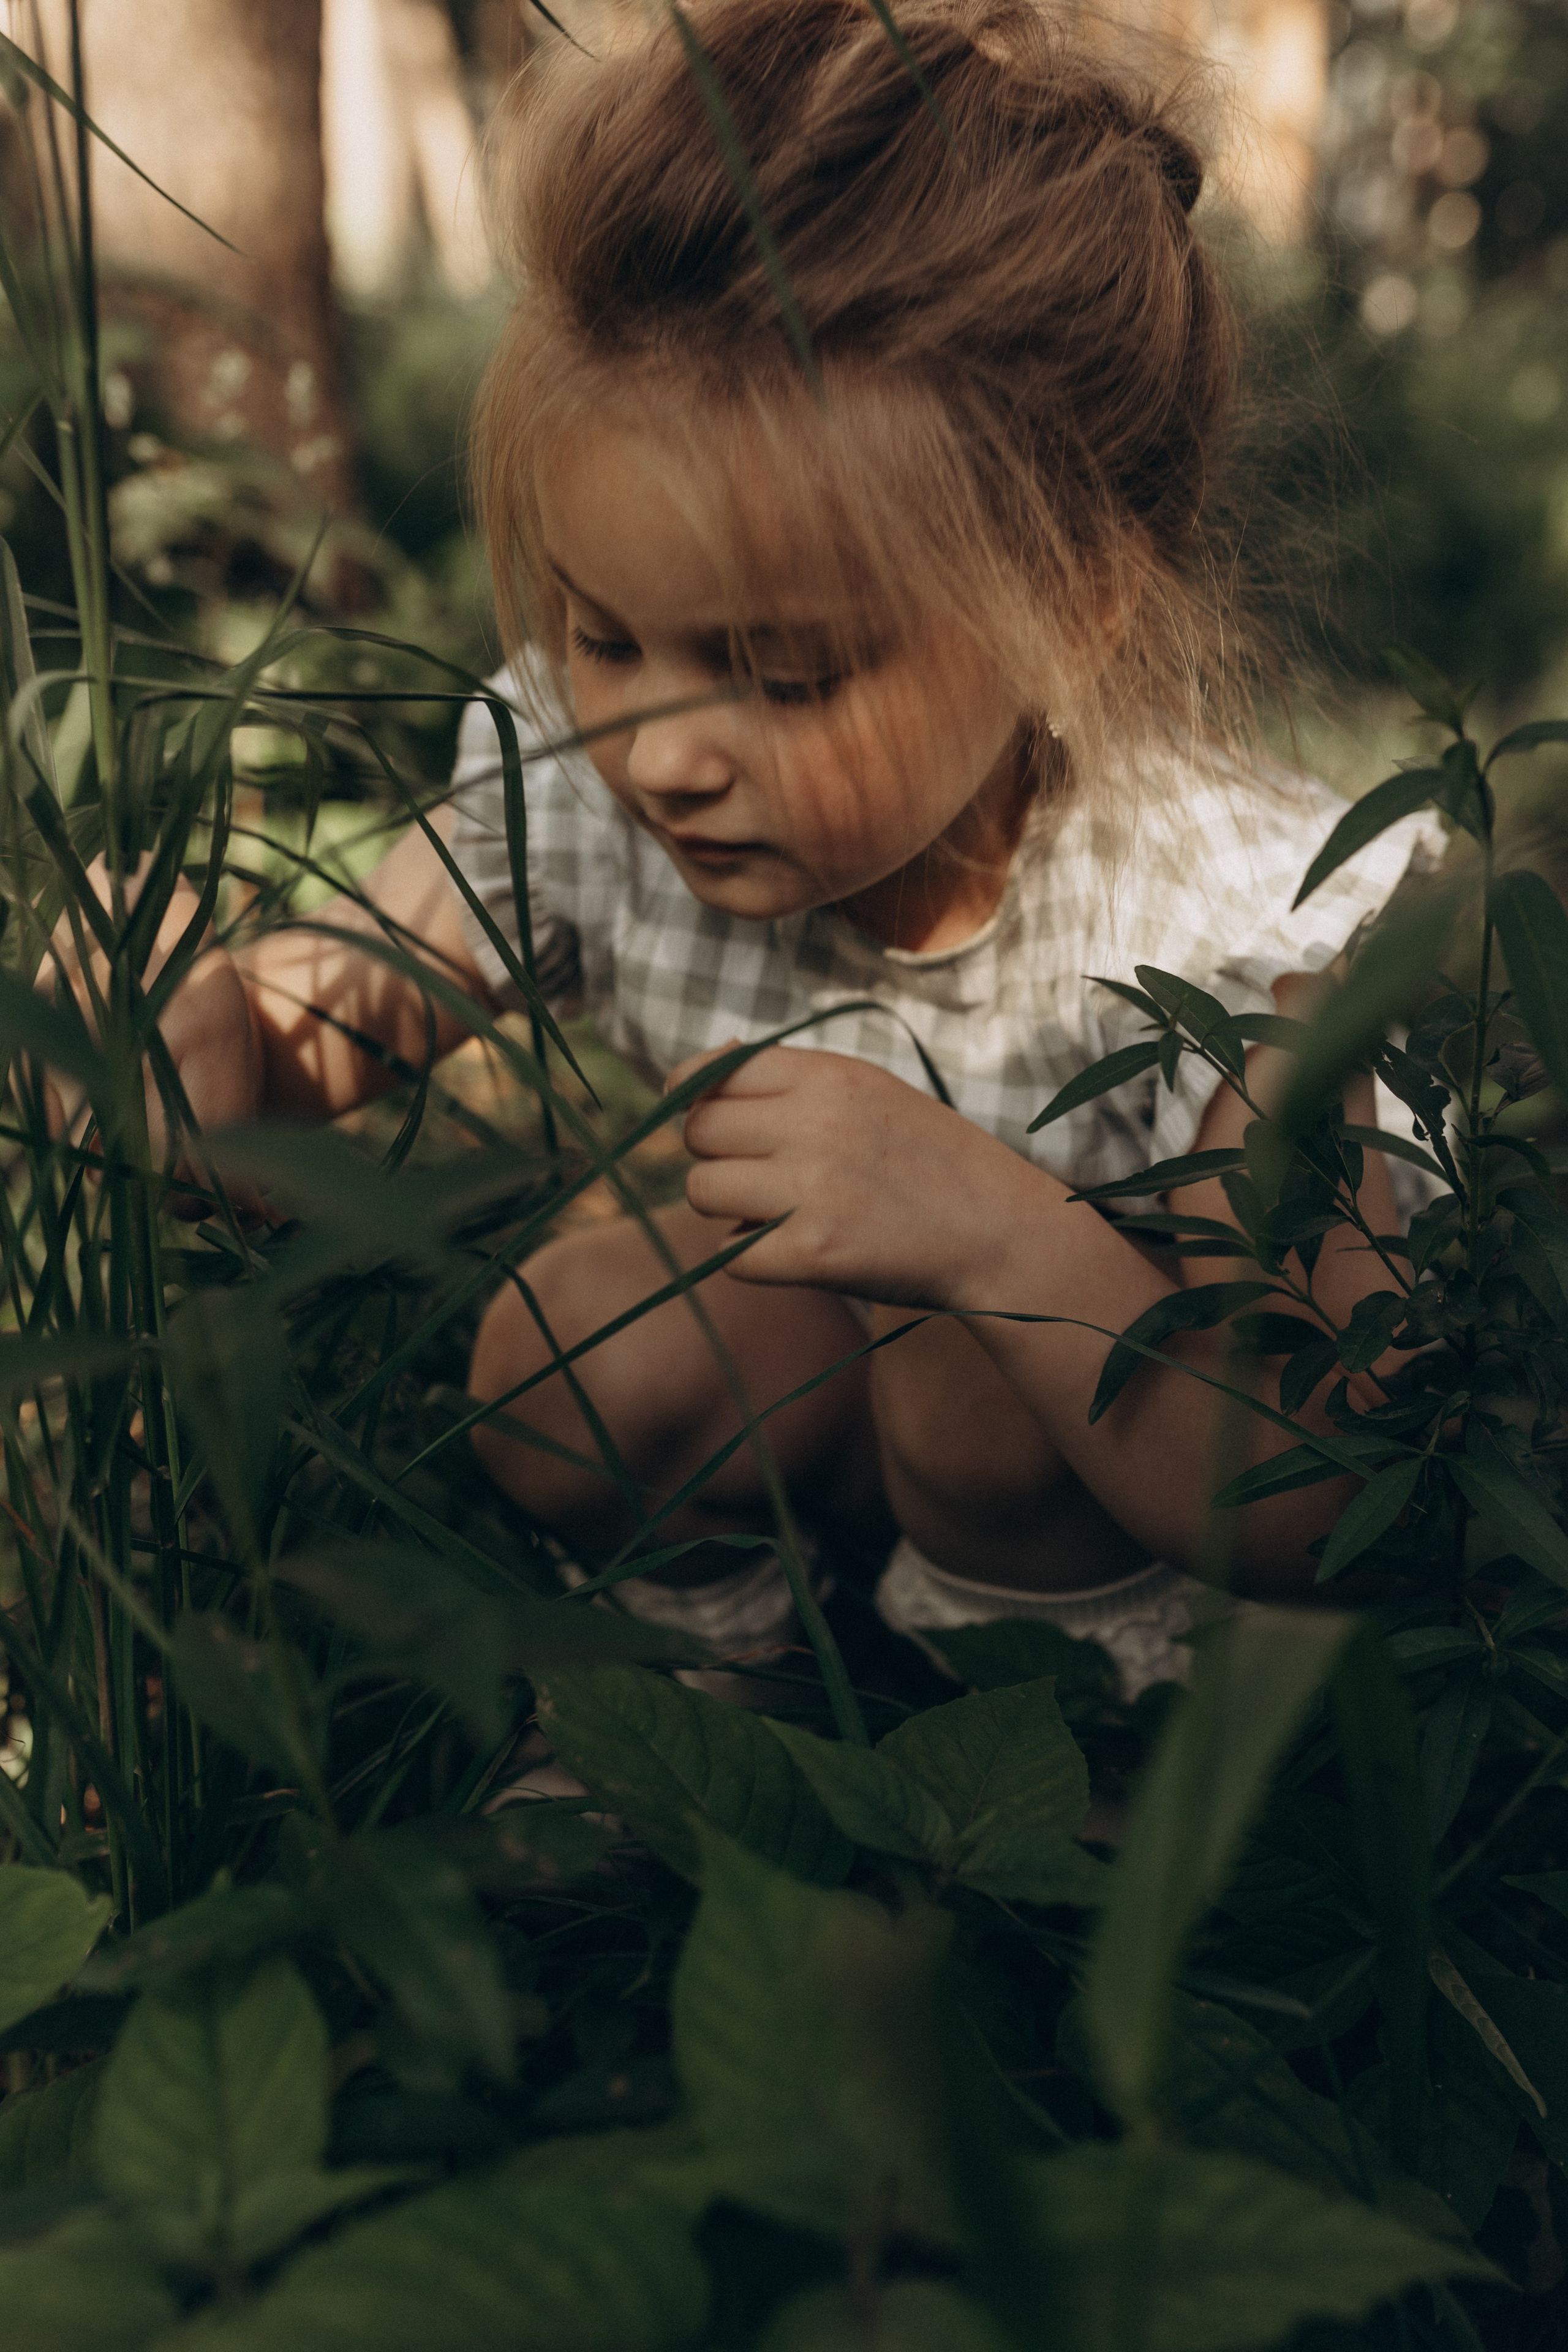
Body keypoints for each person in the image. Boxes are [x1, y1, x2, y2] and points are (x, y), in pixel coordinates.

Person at [62, 0, 1434, 1696]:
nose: (658, 745)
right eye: (604, 632)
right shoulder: (585, 776)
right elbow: (355, 991)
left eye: (782, 674)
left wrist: (1011, 1241)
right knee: (577, 1346)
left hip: (1140, 1530)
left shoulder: (1252, 948)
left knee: (971, 1383)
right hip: (838, 1447)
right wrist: (206, 1037)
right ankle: (727, 1690)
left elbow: (1345, 1495)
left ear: (1068, 608)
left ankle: (1035, 1767)